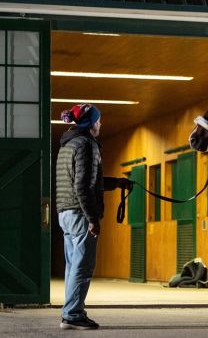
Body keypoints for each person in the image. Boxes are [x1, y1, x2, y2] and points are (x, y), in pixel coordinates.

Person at [56, 104, 130, 330]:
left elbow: (87, 181)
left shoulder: (68, 145)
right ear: (90, 123)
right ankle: (73, 315)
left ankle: (71, 312)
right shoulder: (87, 145)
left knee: (73, 266)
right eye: (98, 120)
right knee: (82, 266)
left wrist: (117, 183)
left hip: (65, 212)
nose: (100, 124)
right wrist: (92, 219)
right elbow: (82, 186)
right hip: (80, 214)